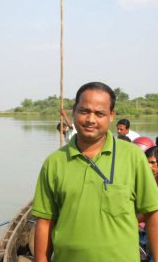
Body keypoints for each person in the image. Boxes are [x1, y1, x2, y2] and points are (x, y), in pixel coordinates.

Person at [31, 82, 158, 262]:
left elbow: (153, 213)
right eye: (84, 111)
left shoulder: (133, 157)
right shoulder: (54, 162)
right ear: (74, 111)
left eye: (100, 113)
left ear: (111, 115)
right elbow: (44, 221)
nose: (91, 119)